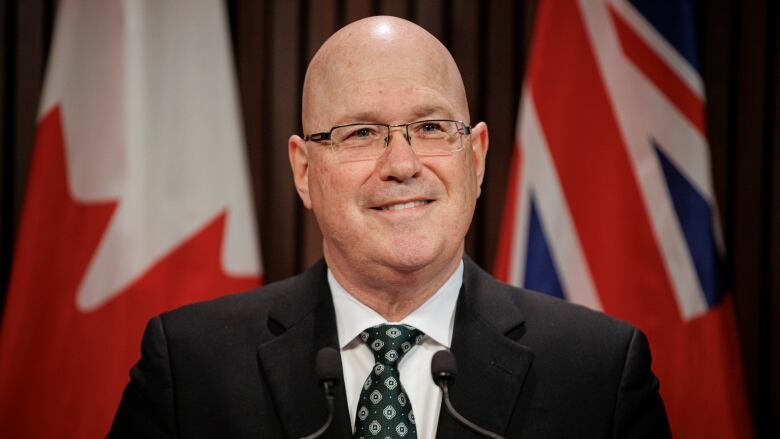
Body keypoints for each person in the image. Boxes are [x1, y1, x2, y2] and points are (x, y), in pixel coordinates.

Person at [109, 16, 670, 438]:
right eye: (359, 134)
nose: (403, 165)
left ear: (475, 157)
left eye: (429, 127)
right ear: (305, 172)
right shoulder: (190, 368)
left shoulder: (599, 372)